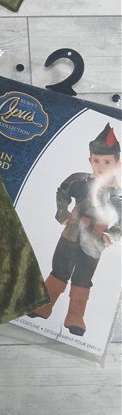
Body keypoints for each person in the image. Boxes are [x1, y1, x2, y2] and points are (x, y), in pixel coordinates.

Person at [29, 123, 121, 336]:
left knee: (83, 278)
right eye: (96, 160)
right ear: (90, 160)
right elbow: (62, 191)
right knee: (59, 270)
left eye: (107, 162)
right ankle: (44, 305)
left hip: (95, 243)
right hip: (71, 235)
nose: (100, 166)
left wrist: (110, 236)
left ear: (117, 164)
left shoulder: (117, 196)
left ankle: (75, 316)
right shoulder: (79, 180)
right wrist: (63, 213)